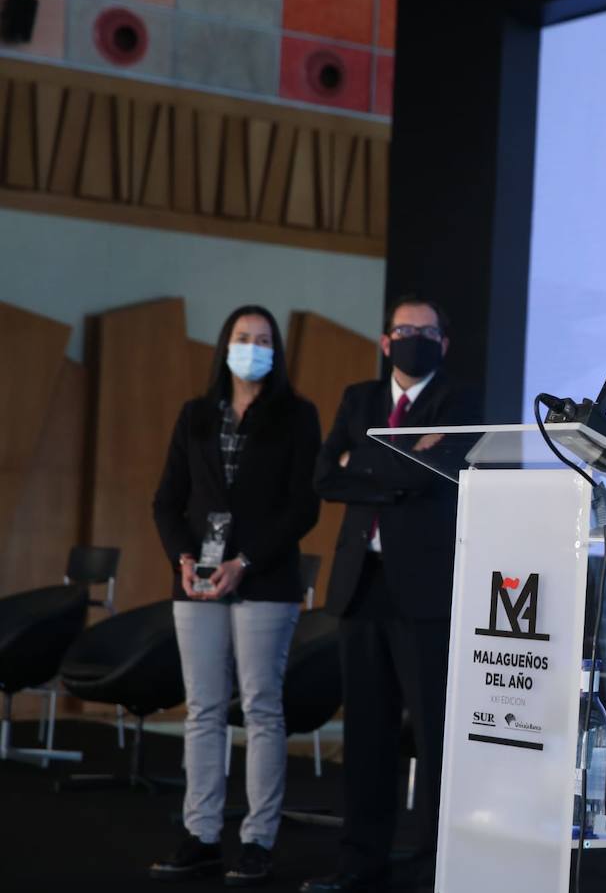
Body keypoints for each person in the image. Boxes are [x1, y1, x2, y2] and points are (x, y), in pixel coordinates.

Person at [151, 305, 322, 886]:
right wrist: (183, 557)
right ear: (225, 345)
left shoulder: (298, 416)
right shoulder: (196, 414)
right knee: (201, 710)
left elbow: (304, 506)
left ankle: (258, 839)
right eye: (243, 338)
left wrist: (244, 563)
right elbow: (166, 501)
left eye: (264, 339)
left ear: (277, 351)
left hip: (265, 581)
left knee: (261, 709)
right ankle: (200, 833)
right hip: (195, 583)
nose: (253, 347)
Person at [302, 295, 464, 893]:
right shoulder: (359, 399)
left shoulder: (458, 401)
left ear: (443, 345)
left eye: (427, 331)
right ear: (384, 340)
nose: (414, 339)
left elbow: (437, 473)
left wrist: (363, 461)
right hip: (360, 587)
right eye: (404, 330)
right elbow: (325, 475)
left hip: (424, 591)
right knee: (365, 737)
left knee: (433, 736)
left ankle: (433, 865)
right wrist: (399, 462)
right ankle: (359, 860)